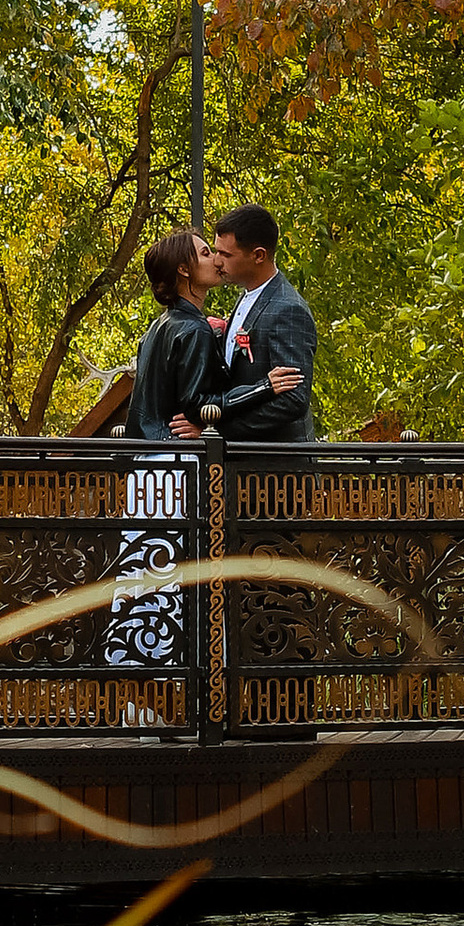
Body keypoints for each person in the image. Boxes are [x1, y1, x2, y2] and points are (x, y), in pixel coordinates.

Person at [102, 227, 215, 702]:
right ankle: (172, 698)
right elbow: (199, 401)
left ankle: (139, 699)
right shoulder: (190, 330)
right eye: (206, 252)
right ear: (184, 270)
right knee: (176, 582)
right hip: (175, 467)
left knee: (143, 582)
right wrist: (262, 387)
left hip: (146, 468)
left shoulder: (161, 327)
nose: (216, 258)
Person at [172, 205, 315, 443]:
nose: (217, 262)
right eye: (215, 252)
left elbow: (293, 400)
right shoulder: (247, 295)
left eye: (226, 255)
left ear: (258, 255)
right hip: (241, 465)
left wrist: (218, 432)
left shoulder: (288, 310)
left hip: (276, 467)